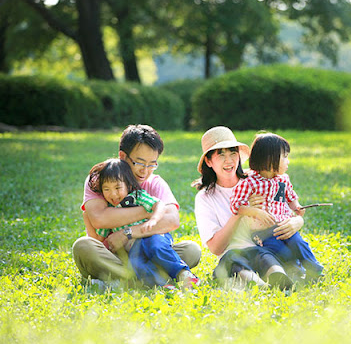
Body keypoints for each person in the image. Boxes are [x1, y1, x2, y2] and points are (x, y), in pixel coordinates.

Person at [72, 124, 201, 285]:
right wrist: (148, 212)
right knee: (83, 246)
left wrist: (128, 233)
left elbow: (172, 220)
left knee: (191, 250)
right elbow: (99, 218)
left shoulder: (155, 183)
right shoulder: (102, 179)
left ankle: (124, 281)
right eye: (139, 163)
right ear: (123, 156)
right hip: (110, 255)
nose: (145, 171)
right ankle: (151, 279)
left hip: (148, 251)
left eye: (152, 164)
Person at [193, 126, 305, 289]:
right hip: (235, 256)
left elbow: (285, 208)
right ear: (209, 161)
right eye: (221, 155)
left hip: (269, 248)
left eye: (233, 153)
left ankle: (278, 277)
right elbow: (216, 248)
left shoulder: (257, 181)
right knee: (232, 259)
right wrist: (240, 212)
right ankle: (261, 286)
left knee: (263, 255)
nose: (229, 160)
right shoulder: (205, 198)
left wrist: (298, 222)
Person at [86, 158, 200, 289]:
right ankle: (162, 285)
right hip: (135, 250)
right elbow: (99, 237)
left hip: (152, 236)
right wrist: (87, 217)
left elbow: (159, 204)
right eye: (106, 189)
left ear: (128, 185)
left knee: (156, 247)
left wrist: (153, 220)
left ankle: (184, 274)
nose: (113, 194)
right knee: (137, 264)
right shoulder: (109, 210)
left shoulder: (137, 196)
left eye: (118, 187)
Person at [230, 132, 323, 282]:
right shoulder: (249, 181)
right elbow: (236, 205)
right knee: (282, 252)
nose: (288, 161)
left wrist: (297, 207)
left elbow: (291, 197)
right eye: (285, 156)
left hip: (285, 225)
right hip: (263, 232)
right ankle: (295, 271)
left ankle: (315, 270)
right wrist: (255, 212)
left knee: (300, 244)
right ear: (269, 159)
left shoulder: (283, 179)